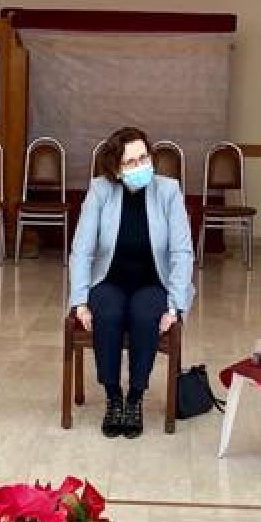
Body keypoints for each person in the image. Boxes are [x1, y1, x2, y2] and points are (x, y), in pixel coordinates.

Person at [68, 126, 194, 438]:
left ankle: (135, 397)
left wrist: (175, 307)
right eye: (131, 162)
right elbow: (82, 250)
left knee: (144, 314)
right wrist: (79, 302)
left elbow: (182, 252)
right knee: (108, 312)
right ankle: (113, 397)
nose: (140, 166)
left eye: (144, 158)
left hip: (153, 282)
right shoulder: (100, 190)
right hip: (109, 280)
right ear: (116, 168)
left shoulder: (168, 191)